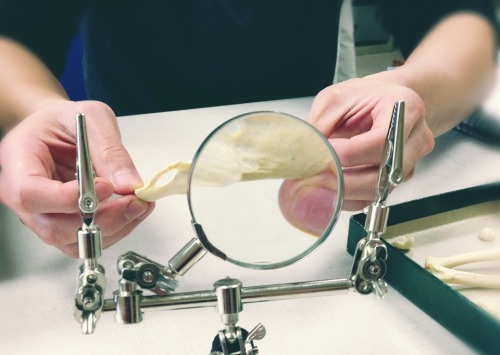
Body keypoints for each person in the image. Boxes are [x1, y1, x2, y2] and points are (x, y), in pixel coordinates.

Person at [0, 1, 497, 256]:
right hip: (117, 189)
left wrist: (419, 92)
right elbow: (13, 37)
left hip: (310, 184)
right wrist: (36, 110)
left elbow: (461, 22)